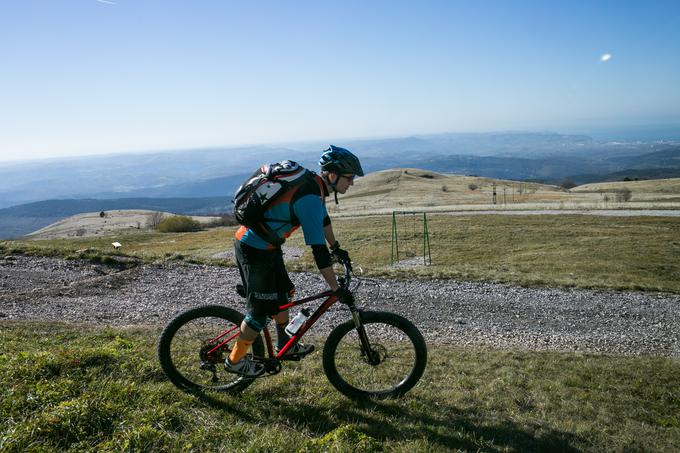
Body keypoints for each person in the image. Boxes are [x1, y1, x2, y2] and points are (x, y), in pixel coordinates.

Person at [226, 145, 364, 376]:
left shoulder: (315, 188)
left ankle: (284, 345)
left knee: (284, 294)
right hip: (252, 249)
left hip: (269, 247)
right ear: (332, 175)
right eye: (349, 178)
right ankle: (235, 361)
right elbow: (318, 252)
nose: (351, 183)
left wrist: (337, 248)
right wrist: (334, 288)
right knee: (259, 314)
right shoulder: (309, 196)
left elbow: (323, 219)